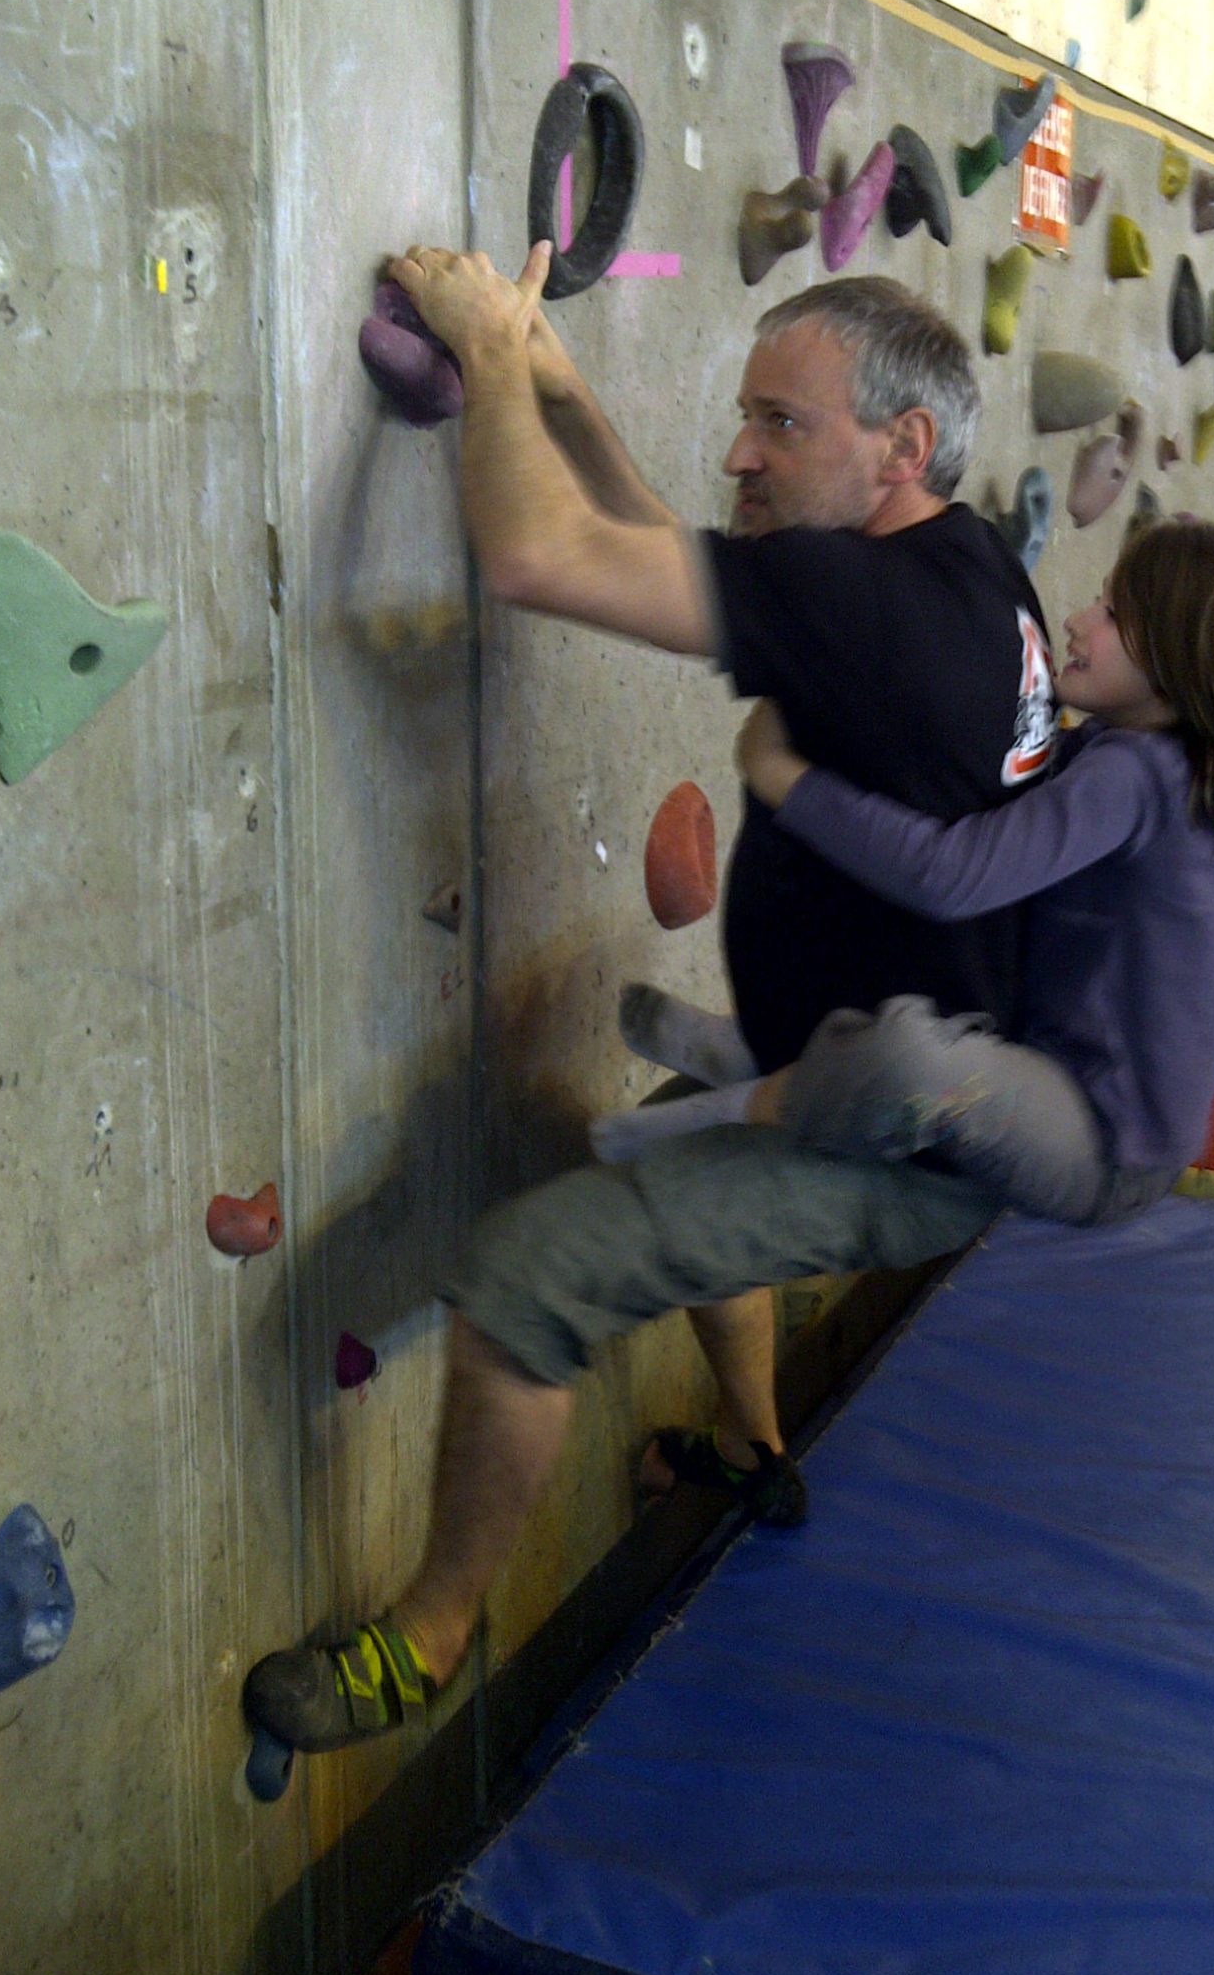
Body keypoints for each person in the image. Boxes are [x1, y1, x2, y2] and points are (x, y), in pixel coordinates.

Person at [241, 248, 1057, 1758]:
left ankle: (425, 1637)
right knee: (682, 1148)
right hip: (893, 1076)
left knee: (526, 1272)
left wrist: (489, 353)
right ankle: (753, 1442)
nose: (741, 449)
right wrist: (549, 385)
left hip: (902, 1140)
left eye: (781, 426)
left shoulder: (876, 611)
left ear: (903, 449)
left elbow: (543, 557)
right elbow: (670, 547)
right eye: (745, 412)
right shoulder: (958, 569)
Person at [591, 525, 1214, 1260]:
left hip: (1107, 1146)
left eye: (1113, 613)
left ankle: (754, 1097)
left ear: (1184, 660)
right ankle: (765, 1040)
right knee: (916, 891)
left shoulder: (1141, 776)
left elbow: (952, 874)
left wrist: (786, 779)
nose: (1076, 618)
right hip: (1055, 1057)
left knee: (915, 1062)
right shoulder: (1135, 755)